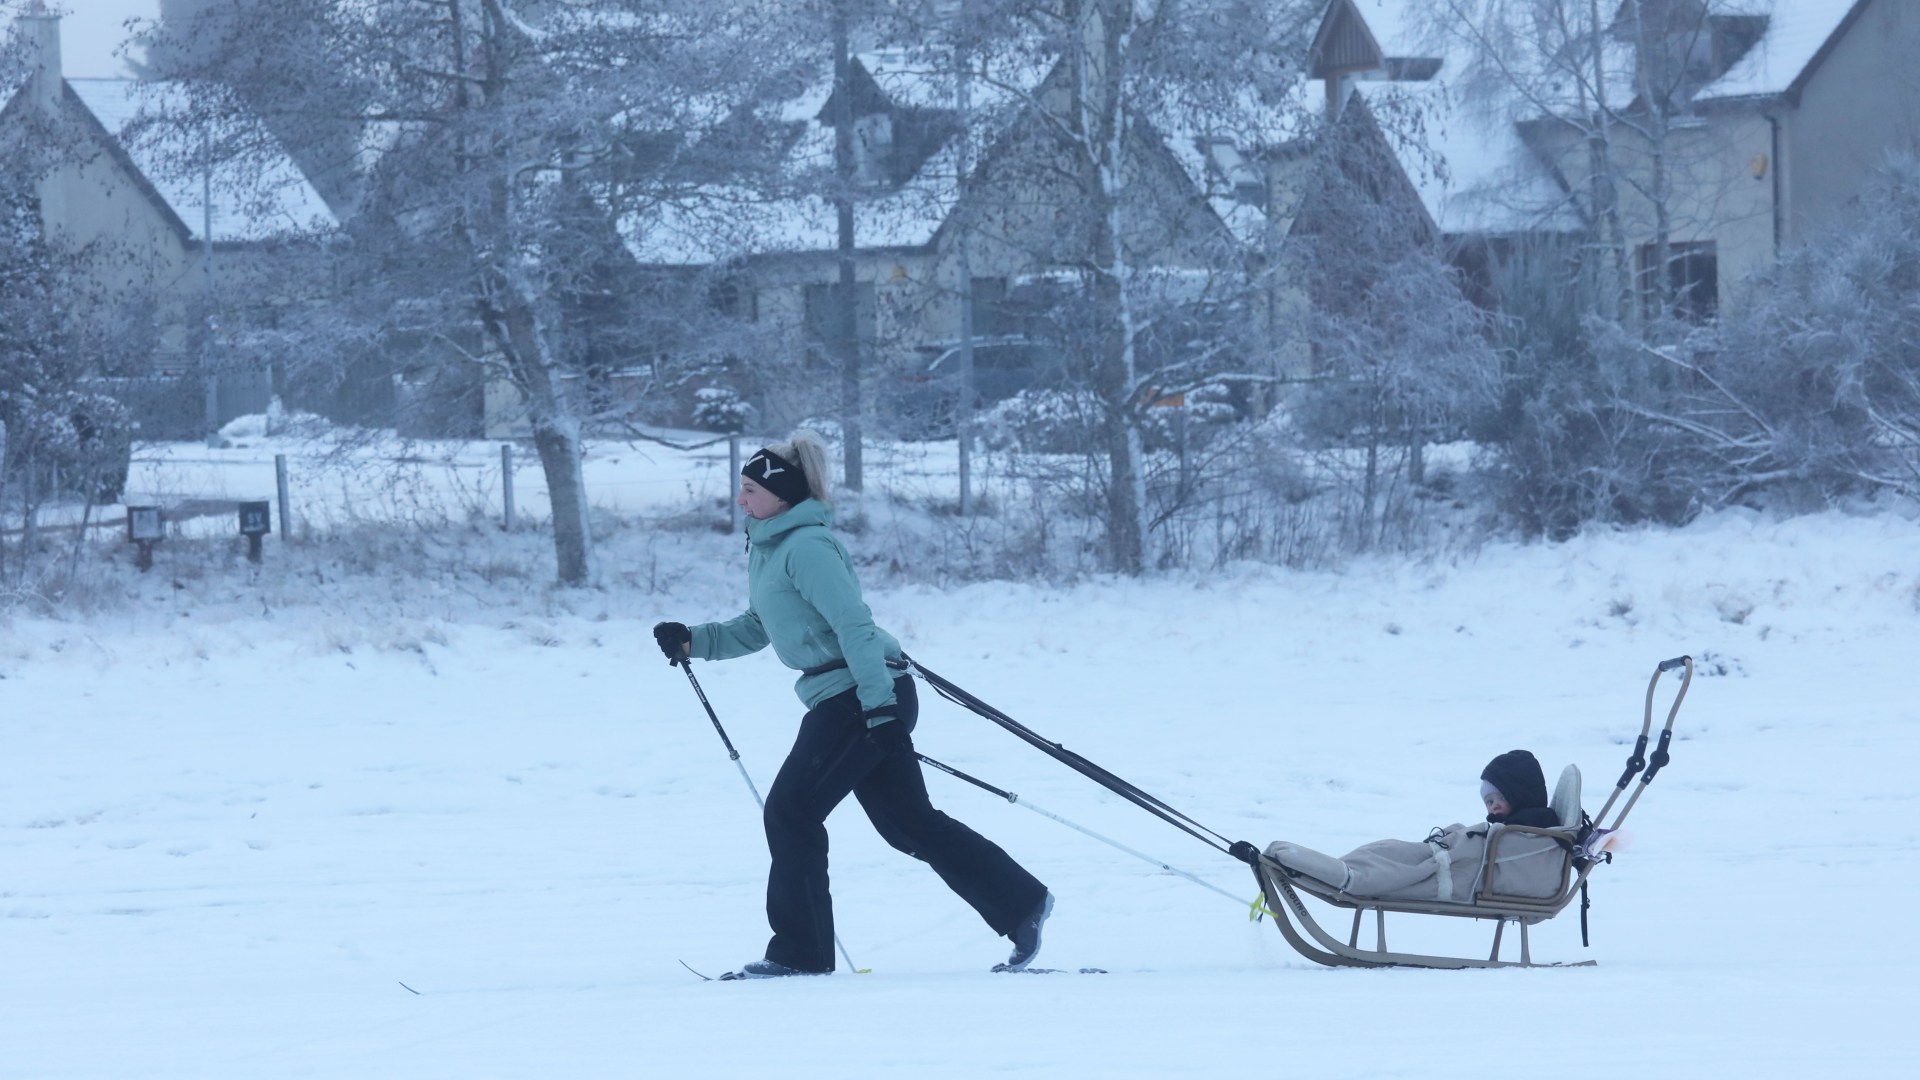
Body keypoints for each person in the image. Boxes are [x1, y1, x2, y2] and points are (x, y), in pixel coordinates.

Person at [653, 431, 1052, 978]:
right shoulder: (770, 548)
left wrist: (879, 708)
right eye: (740, 489)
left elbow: (854, 625)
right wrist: (692, 640)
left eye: (749, 489)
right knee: (910, 823)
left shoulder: (807, 547)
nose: (740, 500)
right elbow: (757, 627)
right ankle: (1021, 904)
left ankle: (800, 953)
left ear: (782, 494)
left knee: (792, 810)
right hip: (850, 693)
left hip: (859, 694)